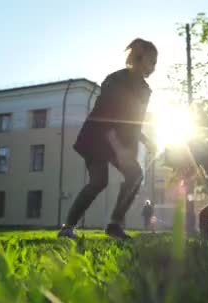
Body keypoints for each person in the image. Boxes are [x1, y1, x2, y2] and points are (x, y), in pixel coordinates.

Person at [58, 38, 158, 240]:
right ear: (140, 58)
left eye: (156, 63)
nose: (154, 67)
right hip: (97, 136)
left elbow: (132, 122)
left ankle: (114, 225)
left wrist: (145, 141)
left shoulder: (145, 90)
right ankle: (67, 227)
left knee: (135, 175)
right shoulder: (116, 80)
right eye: (152, 61)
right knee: (98, 181)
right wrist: (118, 147)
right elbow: (106, 115)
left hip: (117, 141)